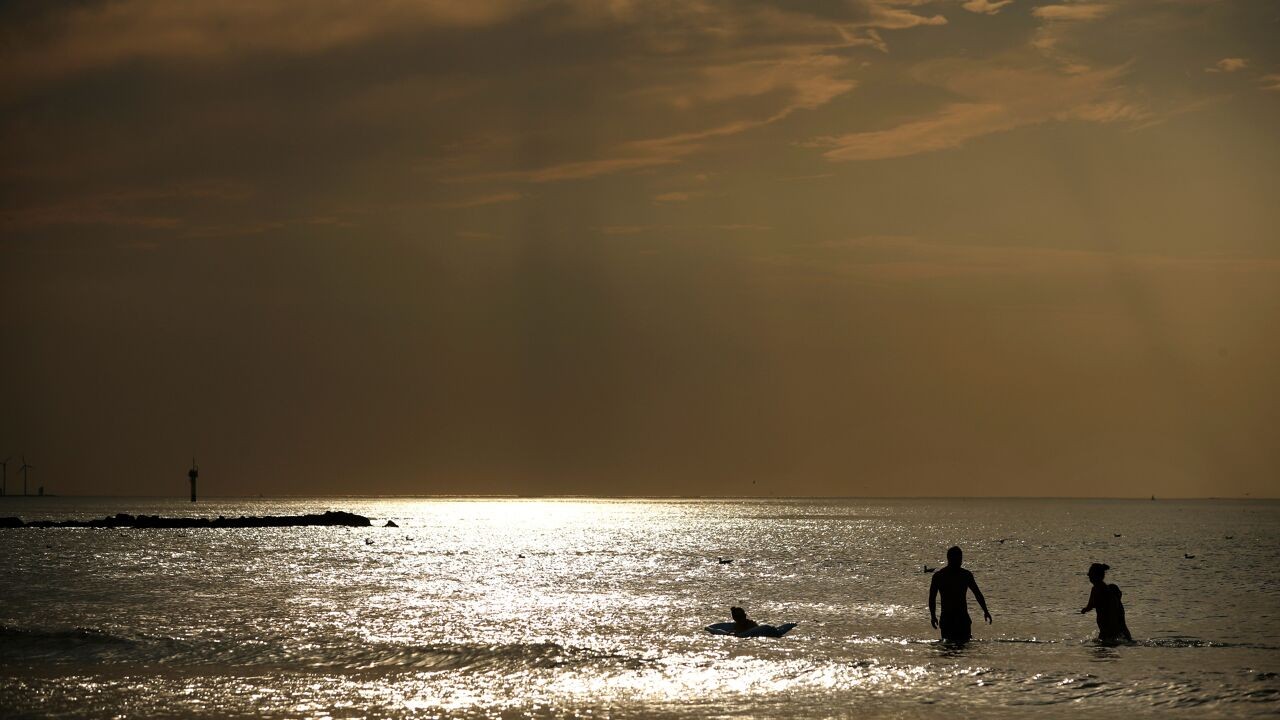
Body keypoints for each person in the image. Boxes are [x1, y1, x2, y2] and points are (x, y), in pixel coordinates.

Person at [929, 546, 992, 643]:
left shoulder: (963, 575)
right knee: (958, 647)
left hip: (960, 619)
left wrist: (986, 611)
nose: (960, 561)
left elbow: (977, 594)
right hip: (950, 619)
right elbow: (932, 599)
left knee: (951, 647)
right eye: (958, 558)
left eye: (960, 558)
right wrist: (933, 616)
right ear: (950, 559)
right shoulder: (941, 576)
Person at [1081, 563, 1133, 642]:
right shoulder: (1095, 589)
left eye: (1091, 575)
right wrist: (1086, 609)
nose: (1089, 577)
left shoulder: (1105, 590)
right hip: (1105, 626)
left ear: (1097, 576)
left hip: (1109, 626)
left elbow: (1113, 607)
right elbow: (1091, 604)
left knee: (1107, 643)